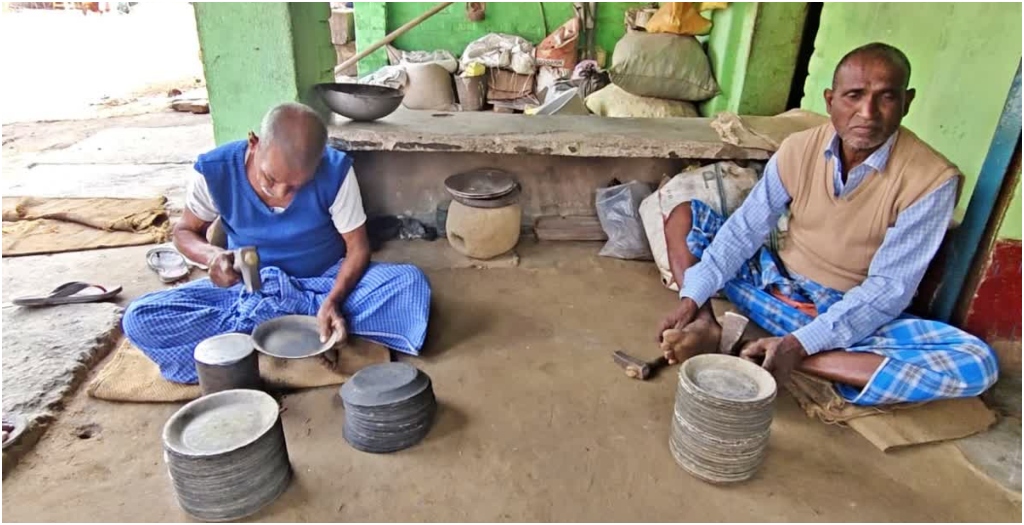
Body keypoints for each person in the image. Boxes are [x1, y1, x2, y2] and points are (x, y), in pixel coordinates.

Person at [657, 43, 998, 406]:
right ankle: (708, 325)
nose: (867, 113)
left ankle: (786, 353)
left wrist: (801, 342)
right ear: (830, 100)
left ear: (907, 102)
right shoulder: (798, 148)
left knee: (977, 363)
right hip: (772, 281)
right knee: (685, 215)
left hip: (848, 306)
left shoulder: (932, 179)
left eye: (886, 98)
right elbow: (746, 229)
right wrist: (693, 297)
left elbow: (888, 290)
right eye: (854, 96)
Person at [123, 102, 431, 383]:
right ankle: (301, 333)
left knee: (409, 285)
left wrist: (333, 300)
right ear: (254, 143)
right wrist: (212, 256)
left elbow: (358, 248)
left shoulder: (336, 171)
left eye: (297, 185)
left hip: (322, 283)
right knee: (139, 318)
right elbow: (185, 231)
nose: (282, 192)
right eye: (270, 178)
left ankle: (259, 342)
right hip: (248, 291)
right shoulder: (216, 171)